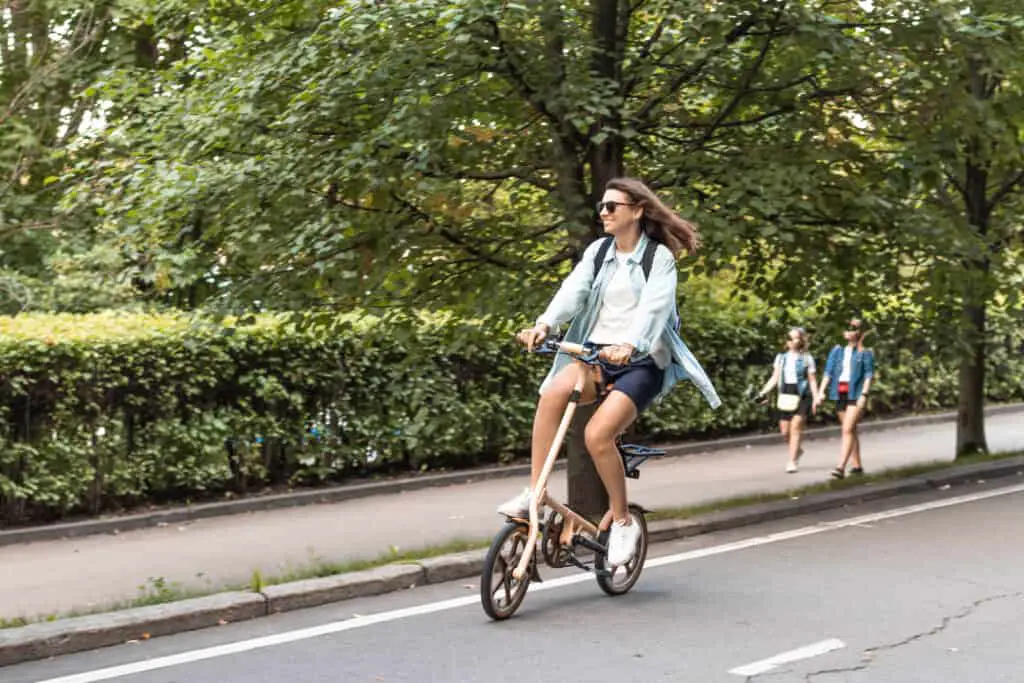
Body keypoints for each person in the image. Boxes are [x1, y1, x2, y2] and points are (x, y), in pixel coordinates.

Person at [497, 177, 721, 567]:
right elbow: (574, 289)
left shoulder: (659, 259)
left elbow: (655, 308)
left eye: (612, 206)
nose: (603, 213)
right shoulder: (600, 252)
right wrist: (544, 325)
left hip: (641, 362)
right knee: (551, 393)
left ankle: (621, 521)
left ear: (636, 210)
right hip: (593, 354)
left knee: (597, 435)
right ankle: (534, 491)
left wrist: (630, 345)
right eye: (601, 206)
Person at [753, 327, 820, 473]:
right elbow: (774, 377)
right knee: (785, 431)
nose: (791, 341)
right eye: (789, 338)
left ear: (801, 340)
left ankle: (792, 461)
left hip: (801, 394)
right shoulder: (781, 358)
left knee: (795, 428)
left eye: (795, 338)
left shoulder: (807, 359)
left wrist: (816, 398)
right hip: (785, 393)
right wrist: (762, 392)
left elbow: (812, 380)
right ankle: (797, 450)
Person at [818, 318, 875, 479]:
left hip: (855, 392)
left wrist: (864, 394)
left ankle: (840, 467)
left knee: (847, 429)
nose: (850, 331)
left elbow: (869, 375)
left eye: (854, 328)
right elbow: (828, 372)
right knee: (851, 430)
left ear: (860, 332)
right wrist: (821, 391)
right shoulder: (837, 350)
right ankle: (857, 466)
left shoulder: (865, 351)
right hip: (840, 392)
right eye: (847, 328)